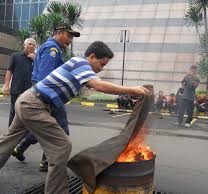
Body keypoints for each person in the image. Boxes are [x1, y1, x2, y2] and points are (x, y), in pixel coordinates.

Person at [0, 41, 148, 194]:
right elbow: (99, 85)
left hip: (28, 100)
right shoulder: (81, 64)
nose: (101, 69)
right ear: (91, 56)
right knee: (62, 146)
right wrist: (131, 90)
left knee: (8, 141)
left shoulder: (78, 67)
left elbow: (97, 86)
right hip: (34, 105)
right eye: (102, 64)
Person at [11, 23, 80, 172]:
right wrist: (51, 100)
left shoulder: (51, 47)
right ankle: (46, 162)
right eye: (68, 36)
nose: (70, 40)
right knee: (61, 128)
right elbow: (46, 77)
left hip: (40, 93)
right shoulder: (52, 49)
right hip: (47, 95)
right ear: (59, 33)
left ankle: (21, 148)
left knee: (42, 127)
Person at [1, 38, 36, 126]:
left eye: (33, 45)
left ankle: (24, 134)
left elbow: (41, 70)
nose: (31, 46)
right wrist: (6, 85)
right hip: (16, 88)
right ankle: (10, 133)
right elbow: (9, 71)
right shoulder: (15, 56)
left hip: (30, 91)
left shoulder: (37, 59)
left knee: (28, 112)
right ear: (24, 45)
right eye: (29, 44)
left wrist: (35, 59)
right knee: (14, 110)